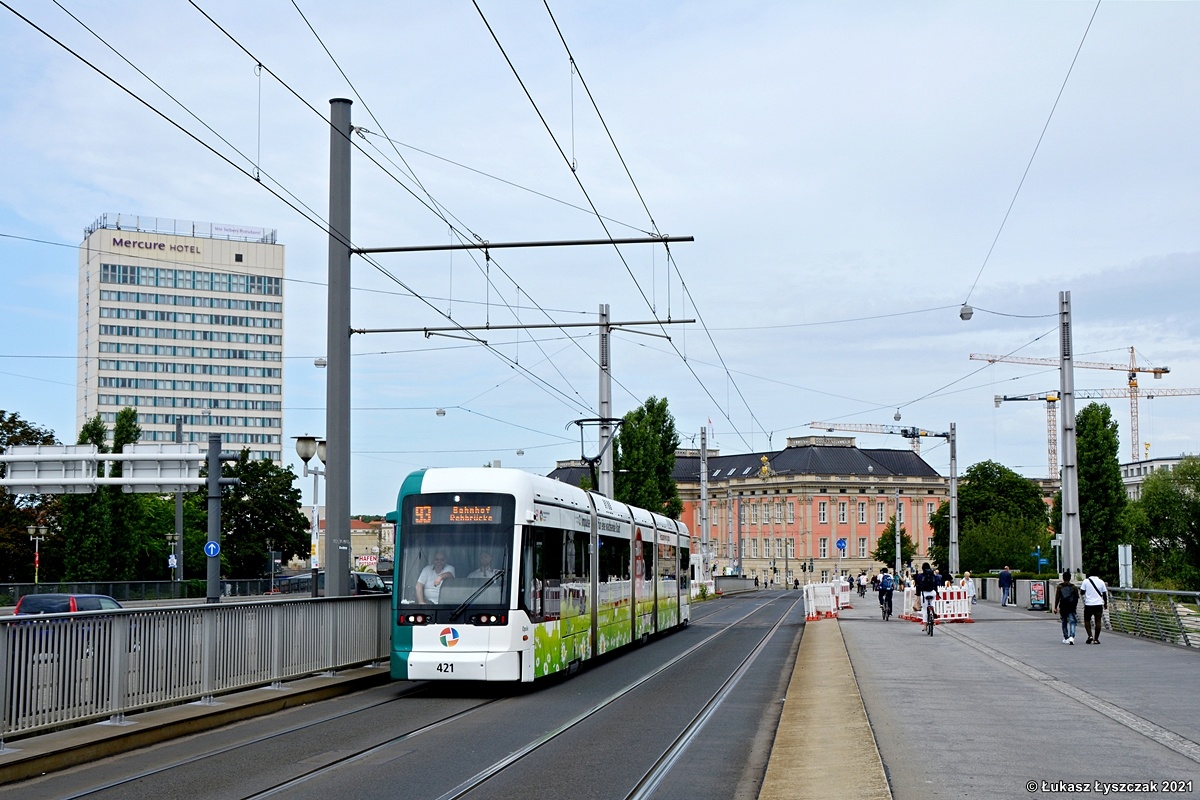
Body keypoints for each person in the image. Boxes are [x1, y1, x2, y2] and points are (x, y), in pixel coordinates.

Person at [1080, 572, 1109, 644]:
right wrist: (1105, 603)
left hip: (1089, 604)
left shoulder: (1086, 581)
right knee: (1098, 621)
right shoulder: (1101, 582)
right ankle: (1096, 639)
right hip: (1098, 604)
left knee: (1087, 620)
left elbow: (1082, 592)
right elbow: (1104, 594)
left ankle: (1090, 636)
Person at [1053, 571, 1079, 644]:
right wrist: (1074, 606)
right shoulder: (1074, 587)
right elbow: (1076, 598)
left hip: (1063, 607)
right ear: (1070, 578)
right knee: (1072, 622)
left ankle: (1066, 637)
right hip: (1071, 607)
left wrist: (1055, 607)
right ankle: (1072, 636)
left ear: (1063, 578)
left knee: (1064, 622)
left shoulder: (1060, 587)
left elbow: (1057, 598)